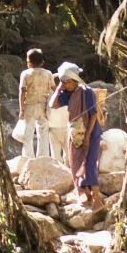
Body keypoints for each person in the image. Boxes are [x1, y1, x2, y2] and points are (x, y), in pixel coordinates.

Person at [52, 62, 103, 201]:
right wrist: (59, 88)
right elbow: (53, 104)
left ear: (74, 80)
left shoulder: (87, 92)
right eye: (63, 82)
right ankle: (83, 195)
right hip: (75, 135)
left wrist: (87, 137)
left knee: (90, 164)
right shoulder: (68, 93)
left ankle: (96, 197)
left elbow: (93, 115)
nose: (65, 85)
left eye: (67, 82)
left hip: (91, 133)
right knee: (76, 163)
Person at [15, 48, 58, 163]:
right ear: (42, 62)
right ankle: (43, 158)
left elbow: (22, 92)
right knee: (43, 132)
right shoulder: (48, 73)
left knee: (27, 134)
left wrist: (21, 109)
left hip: (29, 106)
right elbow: (54, 89)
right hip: (44, 106)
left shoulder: (25, 74)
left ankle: (28, 159)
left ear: (29, 62)